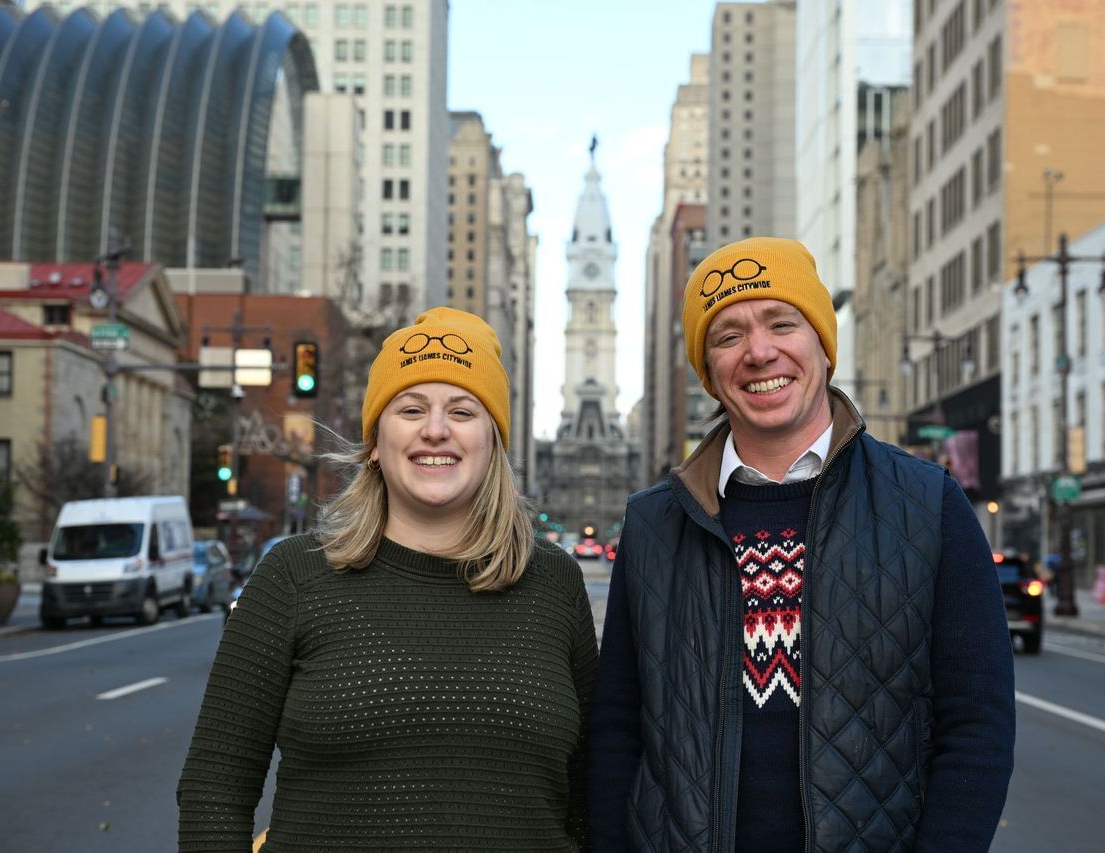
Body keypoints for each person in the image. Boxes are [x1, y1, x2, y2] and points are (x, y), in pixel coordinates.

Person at [587, 237, 1015, 852]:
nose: (760, 352)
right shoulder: (655, 523)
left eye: (782, 323)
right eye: (728, 336)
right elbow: (617, 734)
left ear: (822, 343)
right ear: (708, 370)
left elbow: (977, 727)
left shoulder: (930, 504)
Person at [178, 307, 597, 851]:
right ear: (375, 440)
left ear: (494, 443)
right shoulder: (293, 576)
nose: (436, 430)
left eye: (464, 411)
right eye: (411, 408)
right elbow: (215, 789)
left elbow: (592, 793)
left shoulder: (553, 583)